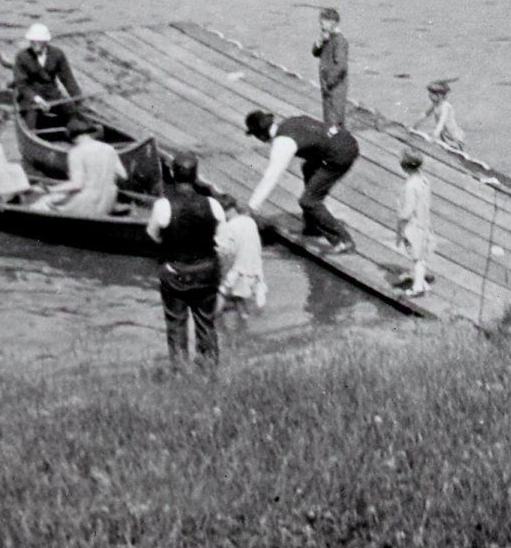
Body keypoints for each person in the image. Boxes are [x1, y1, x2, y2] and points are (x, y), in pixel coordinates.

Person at [145, 153, 224, 366]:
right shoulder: (213, 204)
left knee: (176, 324)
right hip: (207, 269)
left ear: (172, 174)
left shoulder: (163, 205)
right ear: (196, 175)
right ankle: (209, 368)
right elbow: (221, 239)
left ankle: (180, 369)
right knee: (206, 322)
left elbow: (153, 235)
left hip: (176, 271)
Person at [243, 109, 361, 249]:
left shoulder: (283, 143)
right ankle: (313, 226)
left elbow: (271, 176)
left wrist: (253, 206)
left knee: (308, 201)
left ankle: (343, 240)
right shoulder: (290, 122)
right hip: (344, 139)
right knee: (308, 168)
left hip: (341, 154)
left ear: (261, 136)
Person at [34, 117, 124, 216]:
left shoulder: (76, 152)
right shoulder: (109, 149)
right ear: (89, 133)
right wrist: (102, 179)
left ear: (71, 137)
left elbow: (77, 184)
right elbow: (123, 176)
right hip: (107, 203)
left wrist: (49, 189)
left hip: (86, 204)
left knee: (41, 203)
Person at [11, 23, 82, 133]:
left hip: (52, 95)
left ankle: (77, 133)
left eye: (38, 41)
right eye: (32, 41)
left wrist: (78, 99)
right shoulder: (22, 56)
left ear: (45, 42)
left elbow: (68, 79)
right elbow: (21, 85)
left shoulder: (57, 54)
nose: (35, 44)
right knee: (30, 121)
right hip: (30, 98)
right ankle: (34, 134)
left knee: (72, 112)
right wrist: (37, 99)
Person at [216, 193, 266, 326]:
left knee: (221, 294)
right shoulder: (250, 222)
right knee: (238, 297)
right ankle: (244, 322)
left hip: (238, 270)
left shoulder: (228, 227)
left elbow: (224, 252)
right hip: (254, 269)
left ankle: (210, 326)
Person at [395, 149, 434, 297]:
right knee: (421, 255)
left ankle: (417, 287)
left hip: (413, 225)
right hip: (424, 222)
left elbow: (408, 209)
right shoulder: (424, 181)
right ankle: (422, 282)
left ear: (405, 167)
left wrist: (400, 221)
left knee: (417, 258)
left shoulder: (410, 186)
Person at [313, 7, 349, 129]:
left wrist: (329, 82)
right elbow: (315, 52)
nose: (321, 26)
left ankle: (337, 137)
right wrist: (320, 41)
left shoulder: (339, 41)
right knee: (328, 117)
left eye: (323, 23)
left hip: (335, 86)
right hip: (327, 86)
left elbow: (341, 67)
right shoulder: (327, 38)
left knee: (335, 118)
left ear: (332, 23)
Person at [414, 79, 466, 155]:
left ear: (440, 96)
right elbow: (426, 115)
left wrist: (435, 134)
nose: (429, 96)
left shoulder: (445, 106)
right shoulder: (435, 105)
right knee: (447, 150)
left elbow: (442, 121)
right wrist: (415, 125)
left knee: (456, 151)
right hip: (444, 133)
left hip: (452, 134)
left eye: (432, 95)